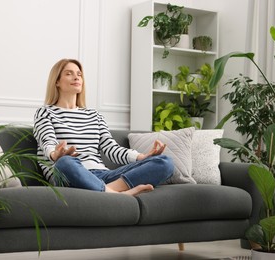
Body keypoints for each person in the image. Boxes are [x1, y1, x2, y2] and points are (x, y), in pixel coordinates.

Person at [33, 58, 174, 196]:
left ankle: (108, 191)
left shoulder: (94, 115)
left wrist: (141, 157)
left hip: (102, 175)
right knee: (64, 162)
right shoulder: (45, 112)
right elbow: (48, 142)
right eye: (69, 73)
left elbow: (111, 148)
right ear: (56, 81)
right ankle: (117, 194)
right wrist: (54, 154)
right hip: (70, 175)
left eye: (79, 74)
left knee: (165, 162)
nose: (76, 77)